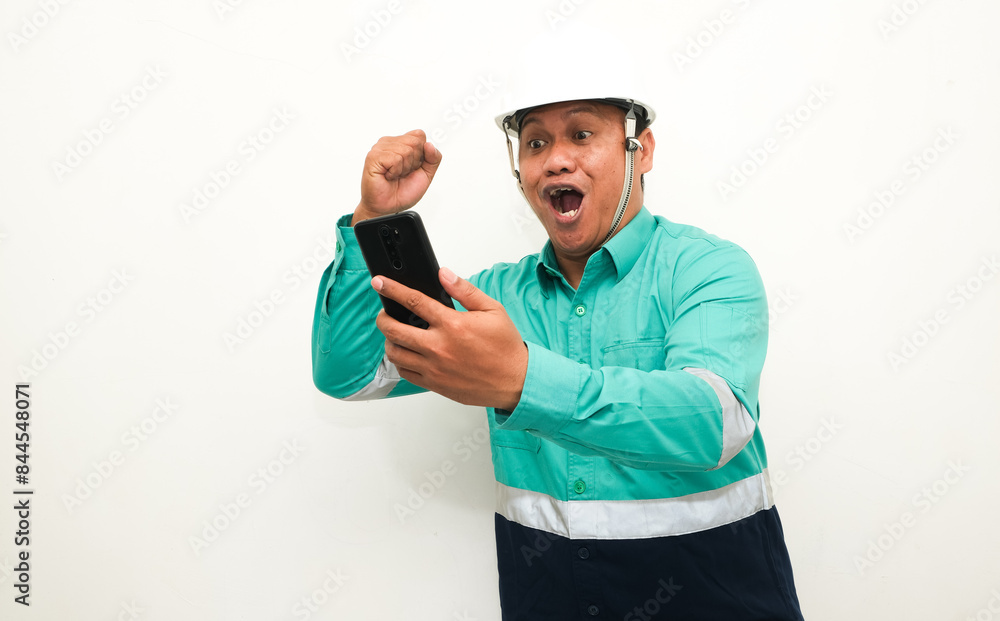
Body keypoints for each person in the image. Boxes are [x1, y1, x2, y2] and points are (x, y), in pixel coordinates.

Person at [311, 82, 804, 619]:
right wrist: (371, 221)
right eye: (536, 143)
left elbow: (718, 422)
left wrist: (521, 381)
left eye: (582, 134)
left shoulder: (708, 269)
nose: (555, 160)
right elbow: (353, 376)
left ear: (642, 150)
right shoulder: (492, 299)